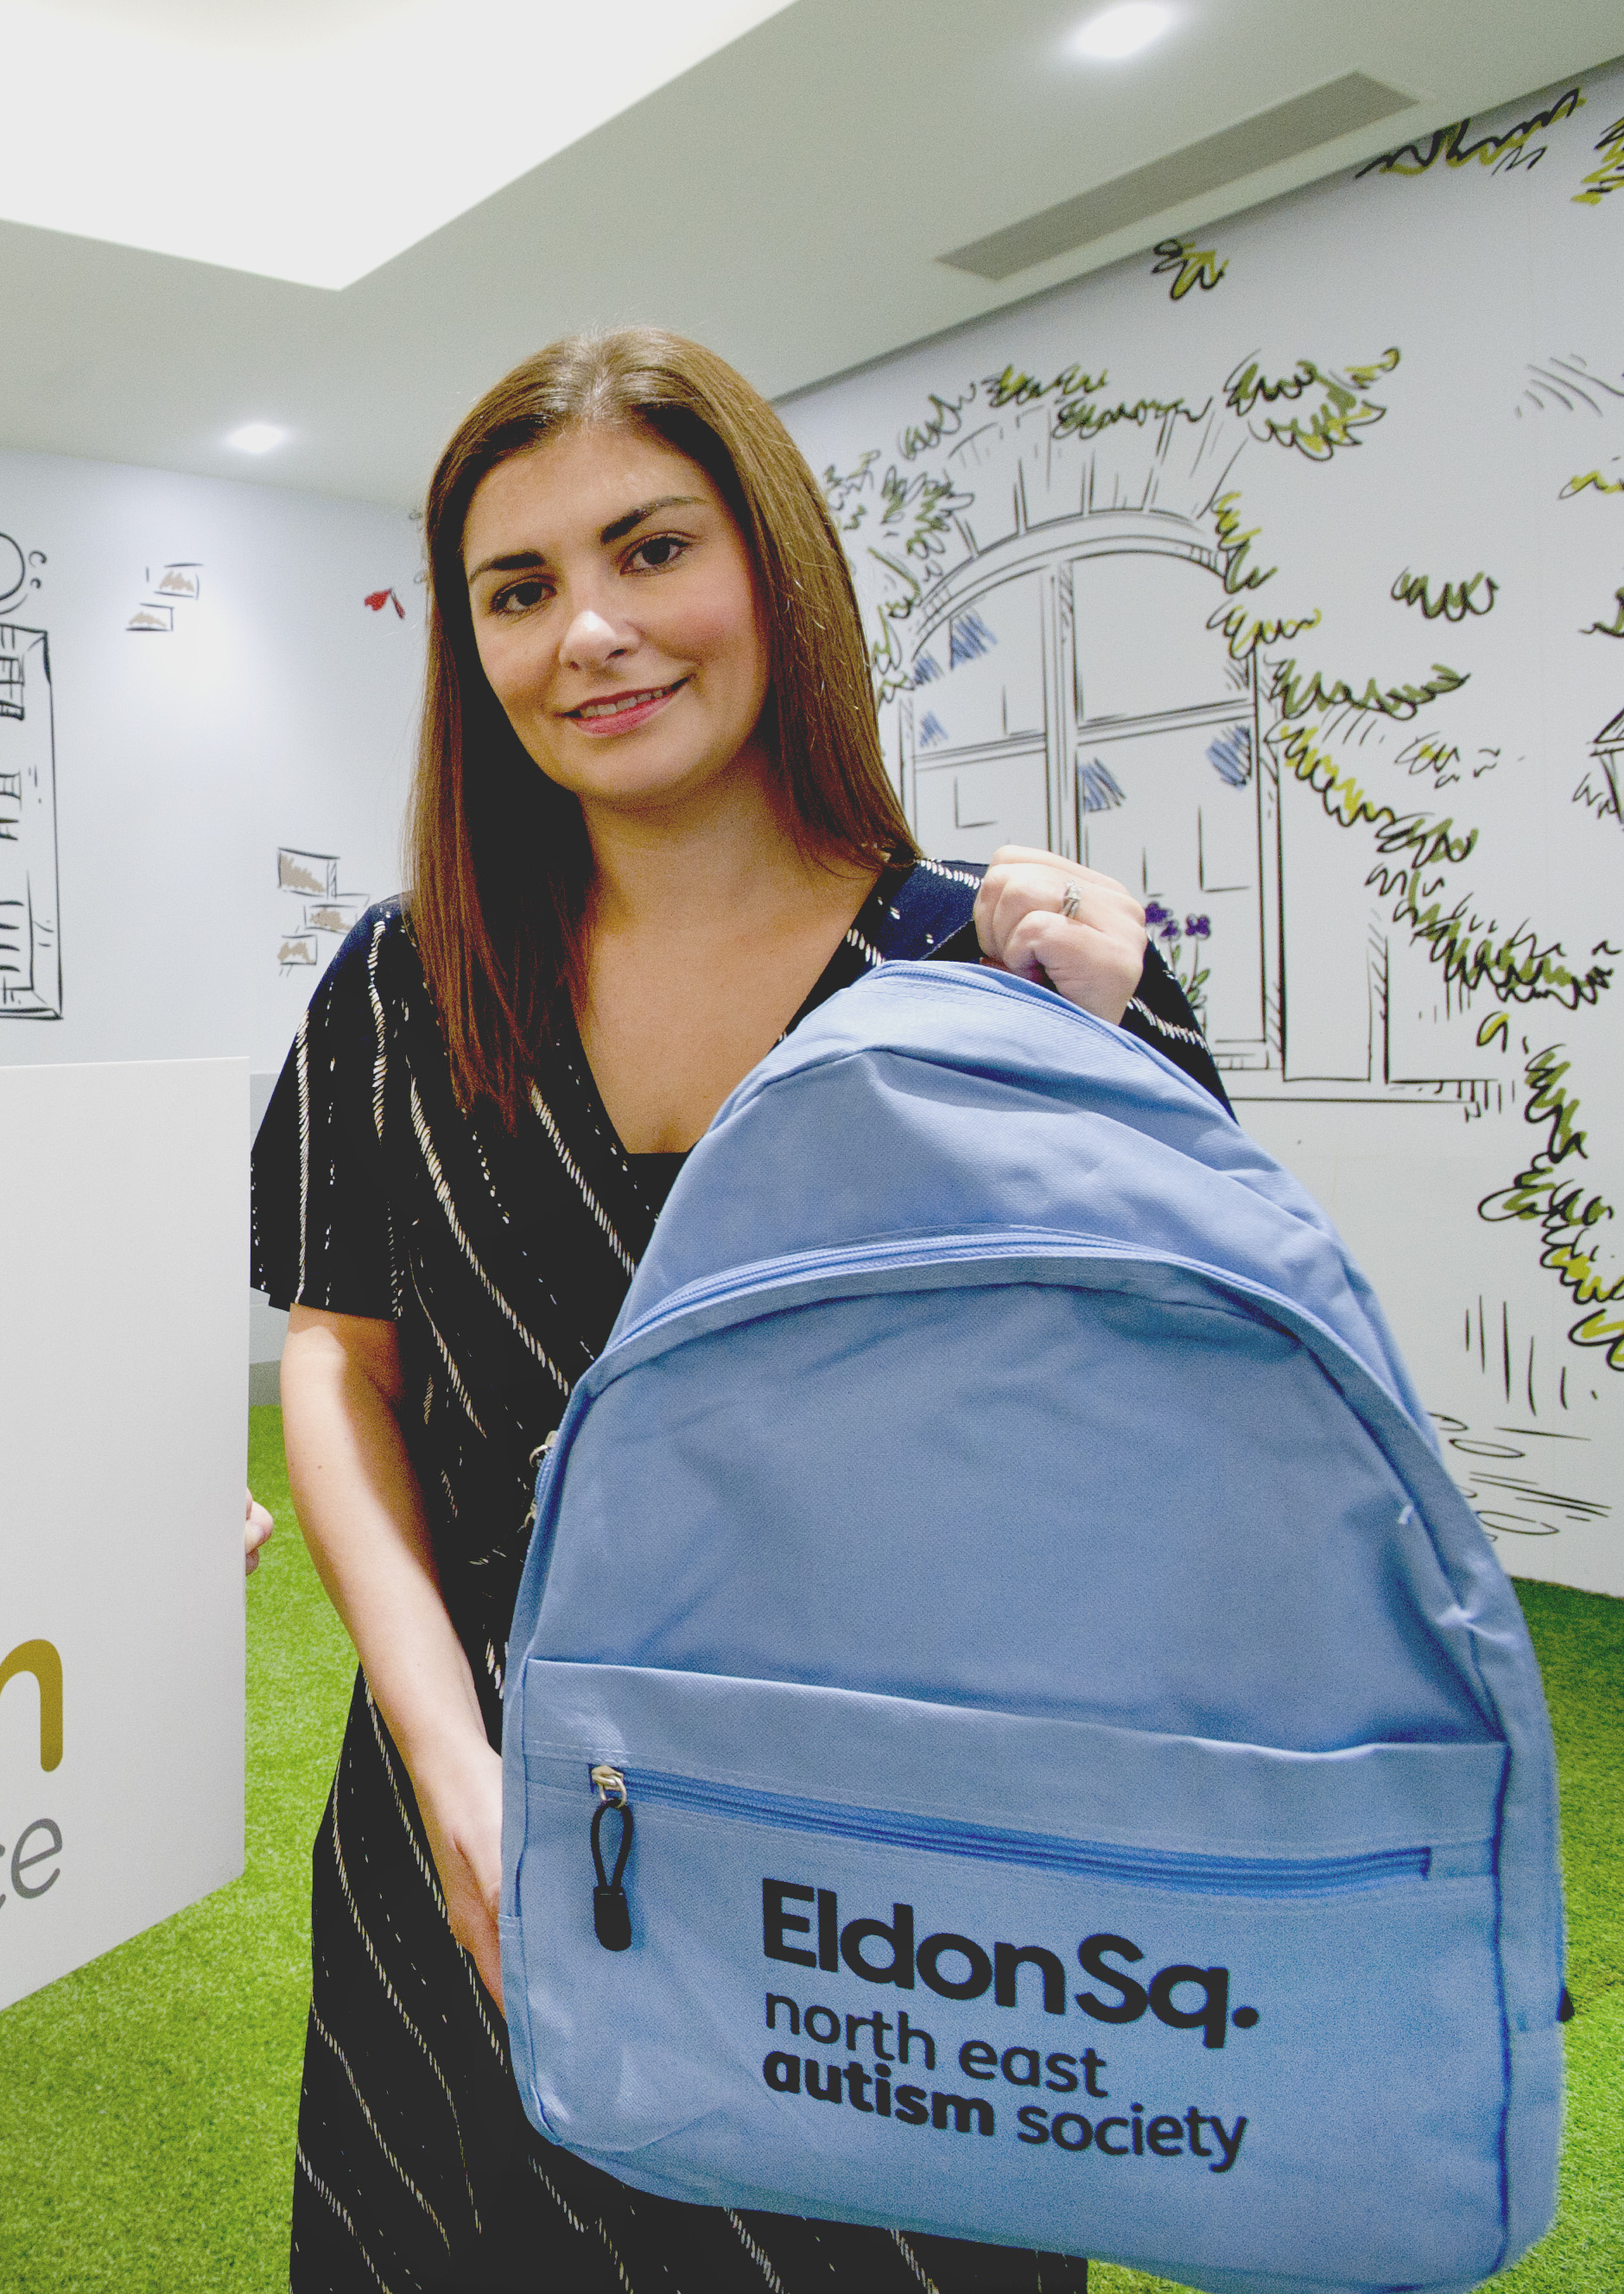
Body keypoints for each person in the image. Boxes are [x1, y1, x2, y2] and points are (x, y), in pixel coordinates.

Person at [254, 329, 1225, 2291]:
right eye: (515, 590)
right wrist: (449, 1764)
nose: (588, 631)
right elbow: (333, 1351)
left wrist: (1096, 1075)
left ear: (767, 570)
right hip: (465, 1828)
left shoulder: (1000, 979)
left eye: (647, 549)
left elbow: (1172, 1449)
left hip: (886, 1872)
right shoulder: (397, 979)